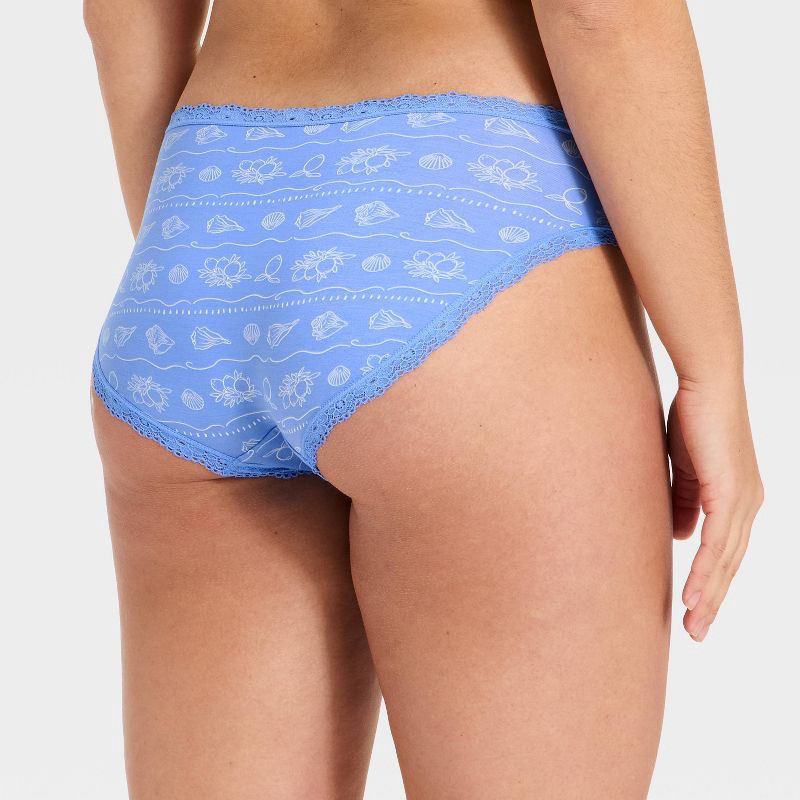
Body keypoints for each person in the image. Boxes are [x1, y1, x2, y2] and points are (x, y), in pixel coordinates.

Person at [84, 1, 764, 797]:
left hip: (198, 234)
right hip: (462, 210)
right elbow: (598, 12)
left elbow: (119, 12)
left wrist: (203, 268)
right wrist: (711, 369)